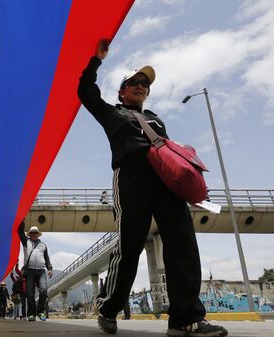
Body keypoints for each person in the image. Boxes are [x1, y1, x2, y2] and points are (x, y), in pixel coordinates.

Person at [77, 38, 227, 337]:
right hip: (131, 179)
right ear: (122, 90)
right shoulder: (112, 113)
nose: (141, 87)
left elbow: (171, 155)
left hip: (165, 181)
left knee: (182, 243)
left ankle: (186, 319)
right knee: (129, 247)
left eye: (145, 85)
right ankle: (109, 308)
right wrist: (96, 61)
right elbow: (86, 92)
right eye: (134, 82)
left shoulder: (155, 119)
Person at [18, 224, 53, 322]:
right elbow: (20, 233)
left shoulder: (43, 245)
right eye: (32, 233)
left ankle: (41, 312)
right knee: (30, 293)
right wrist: (22, 219)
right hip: (30, 271)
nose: (34, 234)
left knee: (43, 291)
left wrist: (49, 268)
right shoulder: (26, 241)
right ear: (29, 234)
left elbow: (46, 258)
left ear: (38, 234)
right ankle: (31, 314)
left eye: (35, 233)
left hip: (41, 271)